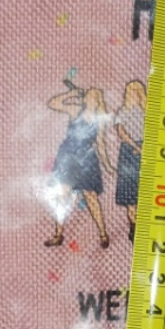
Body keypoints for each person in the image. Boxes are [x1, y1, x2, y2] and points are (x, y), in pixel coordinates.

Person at [44, 85, 115, 249]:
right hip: (68, 157)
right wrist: (70, 94)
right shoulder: (76, 110)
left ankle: (103, 234)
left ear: (98, 101)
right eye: (89, 95)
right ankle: (58, 234)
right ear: (85, 98)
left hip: (87, 159)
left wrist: (108, 165)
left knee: (91, 196)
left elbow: (101, 144)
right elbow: (52, 103)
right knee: (62, 194)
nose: (91, 98)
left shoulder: (99, 120)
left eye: (95, 96)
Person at [114, 80, 146, 242]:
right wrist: (135, 146)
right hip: (128, 152)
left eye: (134, 92)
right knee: (129, 194)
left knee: (144, 190)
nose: (131, 95)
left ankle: (144, 226)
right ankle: (134, 227)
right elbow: (121, 132)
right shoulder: (122, 112)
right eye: (129, 92)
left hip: (146, 150)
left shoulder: (147, 112)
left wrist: (144, 147)